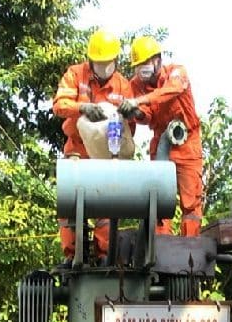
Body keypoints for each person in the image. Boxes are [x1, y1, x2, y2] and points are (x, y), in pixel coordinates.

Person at [52, 29, 133, 265]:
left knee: (106, 206)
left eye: (108, 63)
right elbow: (59, 105)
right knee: (69, 202)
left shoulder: (123, 86)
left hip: (106, 156)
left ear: (116, 61)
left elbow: (130, 128)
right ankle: (72, 255)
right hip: (77, 151)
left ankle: (104, 254)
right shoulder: (76, 74)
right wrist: (82, 108)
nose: (104, 67)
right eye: (99, 63)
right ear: (90, 60)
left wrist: (129, 115)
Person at [118, 36, 204, 236]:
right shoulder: (136, 85)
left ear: (157, 59)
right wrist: (135, 112)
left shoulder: (176, 72)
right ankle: (161, 247)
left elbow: (171, 90)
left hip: (187, 143)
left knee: (191, 202)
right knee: (159, 202)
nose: (142, 68)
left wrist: (138, 101)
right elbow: (146, 116)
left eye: (145, 62)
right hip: (160, 143)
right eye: (138, 65)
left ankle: (191, 247)